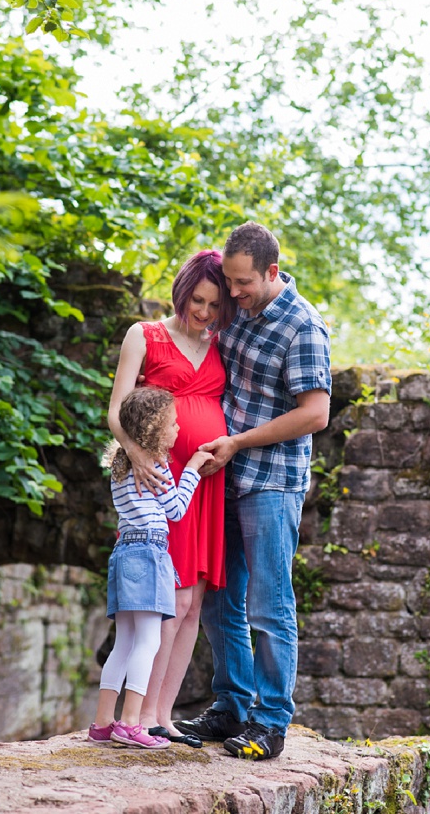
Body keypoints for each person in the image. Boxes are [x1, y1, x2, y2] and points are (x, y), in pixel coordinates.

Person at [174, 222, 332, 761]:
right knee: (220, 599)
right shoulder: (237, 312)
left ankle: (270, 722)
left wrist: (237, 441)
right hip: (224, 478)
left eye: (242, 284)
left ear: (271, 272)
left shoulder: (303, 326)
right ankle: (231, 706)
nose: (232, 295)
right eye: (228, 282)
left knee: (269, 604)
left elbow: (315, 413)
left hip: (272, 482)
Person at [107, 250, 233, 748]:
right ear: (182, 292)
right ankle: (138, 717)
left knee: (194, 600)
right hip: (161, 482)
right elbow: (116, 410)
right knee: (169, 601)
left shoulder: (223, 341)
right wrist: (137, 453)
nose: (204, 312)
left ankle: (163, 713)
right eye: (197, 300)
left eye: (215, 304)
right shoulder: (145, 335)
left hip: (205, 483)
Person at [88, 386, 214, 749]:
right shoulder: (157, 465)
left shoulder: (119, 462)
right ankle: (130, 723)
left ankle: (102, 722)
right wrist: (190, 467)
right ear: (155, 429)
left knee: (124, 643)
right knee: (148, 640)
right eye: (173, 423)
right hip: (149, 552)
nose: (178, 429)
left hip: (124, 552)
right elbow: (175, 510)